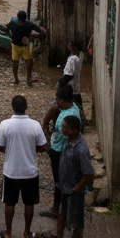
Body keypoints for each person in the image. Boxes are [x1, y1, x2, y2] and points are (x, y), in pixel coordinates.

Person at [0, 94, 48, 238]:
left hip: (11, 171)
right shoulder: (35, 124)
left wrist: (8, 149)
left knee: (9, 203)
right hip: (29, 171)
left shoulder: (5, 124)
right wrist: (31, 148)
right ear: (26, 108)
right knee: (29, 204)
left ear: (13, 108)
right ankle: (26, 232)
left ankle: (9, 233)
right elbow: (43, 146)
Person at [39, 86, 76, 221]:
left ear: (63, 100)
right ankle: (59, 207)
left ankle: (57, 209)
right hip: (57, 148)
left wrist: (48, 146)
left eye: (57, 99)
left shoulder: (68, 117)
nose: (55, 101)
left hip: (60, 152)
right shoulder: (69, 108)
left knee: (59, 181)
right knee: (59, 181)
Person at [56, 116, 94, 238]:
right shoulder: (69, 140)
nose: (63, 130)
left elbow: (89, 174)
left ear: (75, 130)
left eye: (66, 128)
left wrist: (76, 188)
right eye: (63, 127)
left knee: (76, 223)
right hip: (65, 187)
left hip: (74, 192)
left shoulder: (81, 149)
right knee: (63, 213)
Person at [7, 10, 46, 86]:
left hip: (22, 45)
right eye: (21, 21)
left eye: (22, 21)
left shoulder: (19, 22)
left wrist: (33, 36)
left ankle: (23, 79)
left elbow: (7, 28)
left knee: (23, 61)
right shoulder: (25, 23)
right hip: (21, 45)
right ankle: (22, 79)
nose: (21, 23)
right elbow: (41, 31)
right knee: (21, 62)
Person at [64, 41, 85, 125]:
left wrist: (61, 84)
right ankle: (81, 123)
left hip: (71, 89)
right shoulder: (80, 56)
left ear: (72, 47)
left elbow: (69, 75)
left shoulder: (73, 59)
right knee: (78, 108)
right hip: (76, 88)